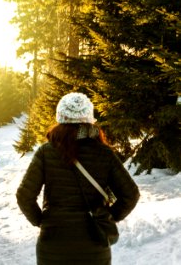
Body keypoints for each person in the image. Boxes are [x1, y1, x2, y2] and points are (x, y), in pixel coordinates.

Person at [16, 92, 140, 265]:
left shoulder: (46, 152)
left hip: (53, 245)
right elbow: (131, 194)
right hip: (94, 246)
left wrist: (42, 221)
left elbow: (24, 196)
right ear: (89, 119)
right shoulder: (104, 153)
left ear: (60, 117)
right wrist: (107, 217)